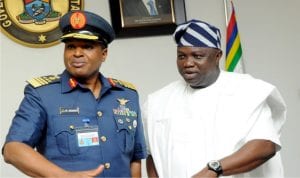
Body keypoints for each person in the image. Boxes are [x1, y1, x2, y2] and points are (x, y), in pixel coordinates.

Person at [2, 10, 147, 178]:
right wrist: (63, 176)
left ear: (104, 53)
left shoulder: (127, 96)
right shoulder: (42, 94)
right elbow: (12, 149)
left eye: (87, 47)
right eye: (70, 46)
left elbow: (135, 158)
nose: (77, 53)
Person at [143, 19, 286, 178]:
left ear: (217, 56)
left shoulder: (248, 91)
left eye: (197, 56)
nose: (188, 63)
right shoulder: (159, 101)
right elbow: (152, 154)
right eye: (181, 56)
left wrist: (214, 169)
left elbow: (265, 145)